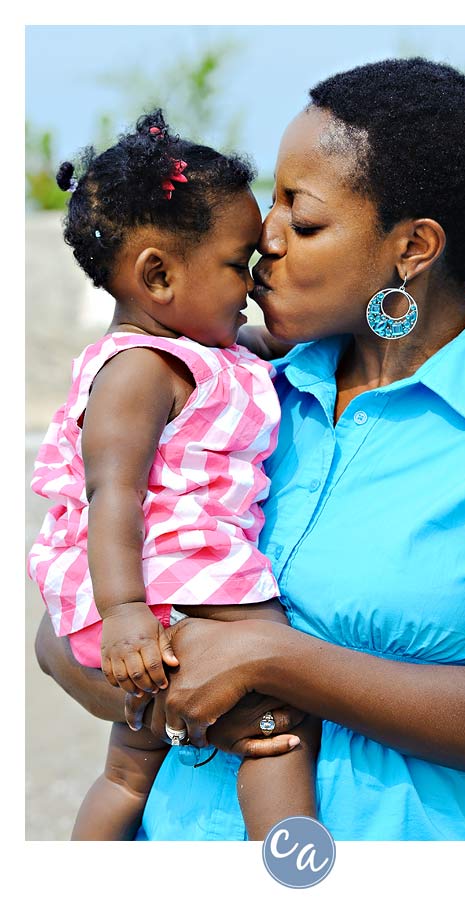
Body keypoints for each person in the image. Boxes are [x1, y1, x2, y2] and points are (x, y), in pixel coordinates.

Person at [35, 57, 465, 841]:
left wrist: (267, 658)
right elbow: (58, 641)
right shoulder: (235, 389)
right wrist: (189, 704)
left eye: (303, 218)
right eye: (270, 205)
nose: (264, 241)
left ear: (413, 247)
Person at [27, 109, 319, 841]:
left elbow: (253, 343)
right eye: (236, 264)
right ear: (158, 274)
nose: (251, 283)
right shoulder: (137, 370)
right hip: (167, 585)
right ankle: (294, 861)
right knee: (282, 705)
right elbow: (111, 493)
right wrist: (125, 611)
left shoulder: (197, 347)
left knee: (129, 771)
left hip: (163, 589)